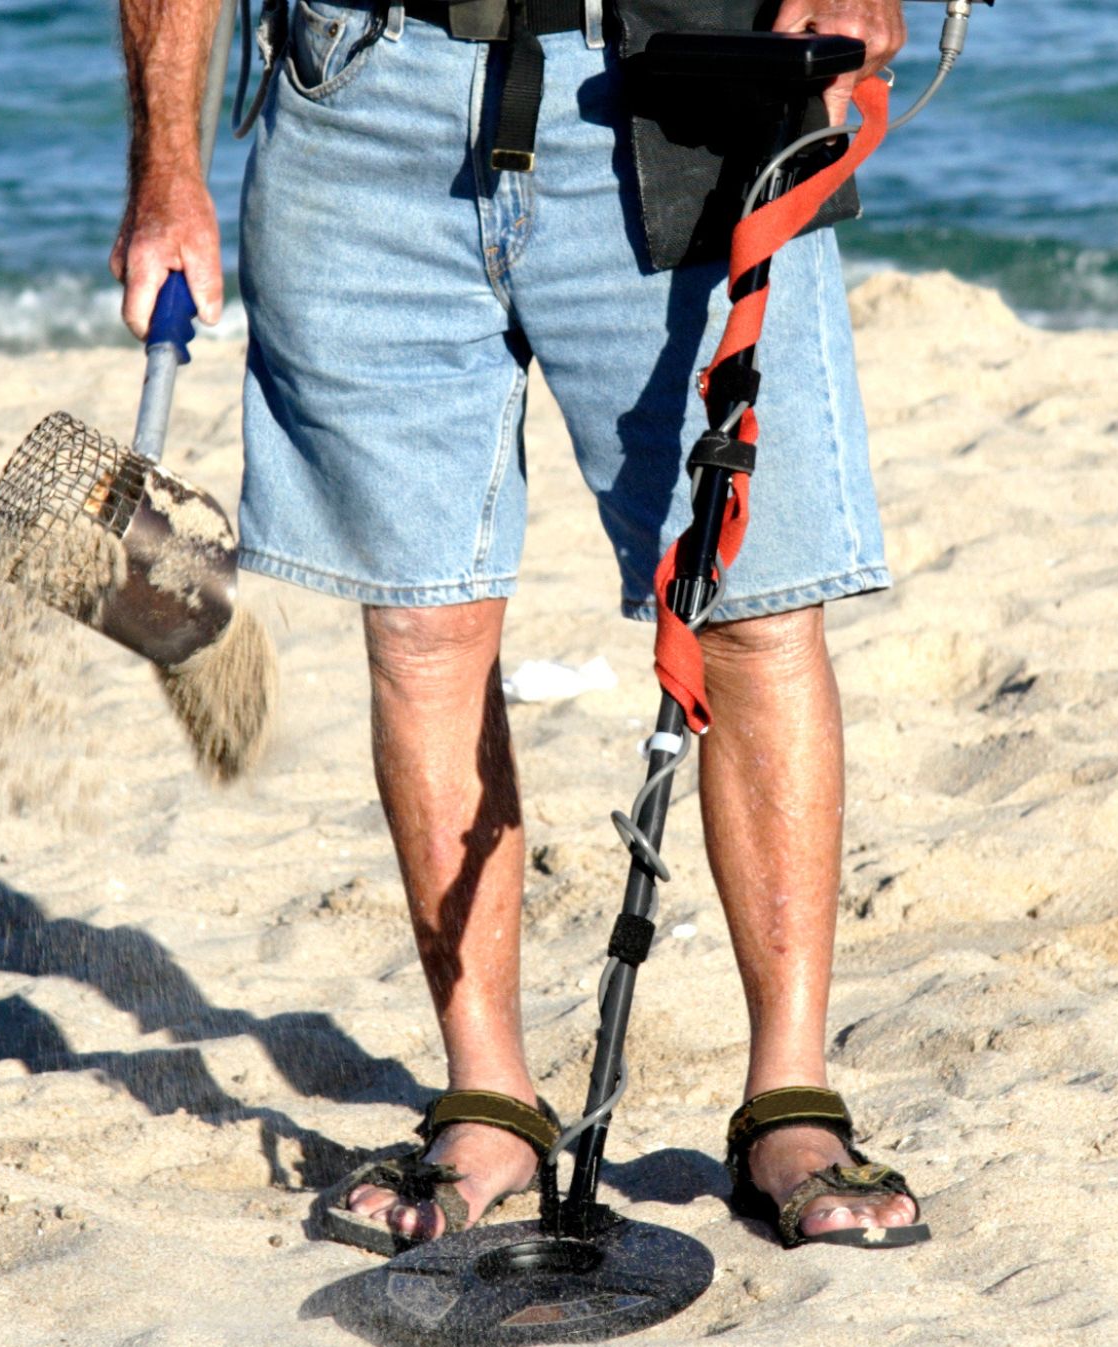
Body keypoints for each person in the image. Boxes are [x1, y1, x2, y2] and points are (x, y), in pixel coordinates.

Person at [110, 0, 927, 1251]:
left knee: (752, 619)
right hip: (360, 102)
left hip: (687, 79)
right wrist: (168, 170)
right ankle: (489, 1098)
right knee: (424, 632)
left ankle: (790, 1100)